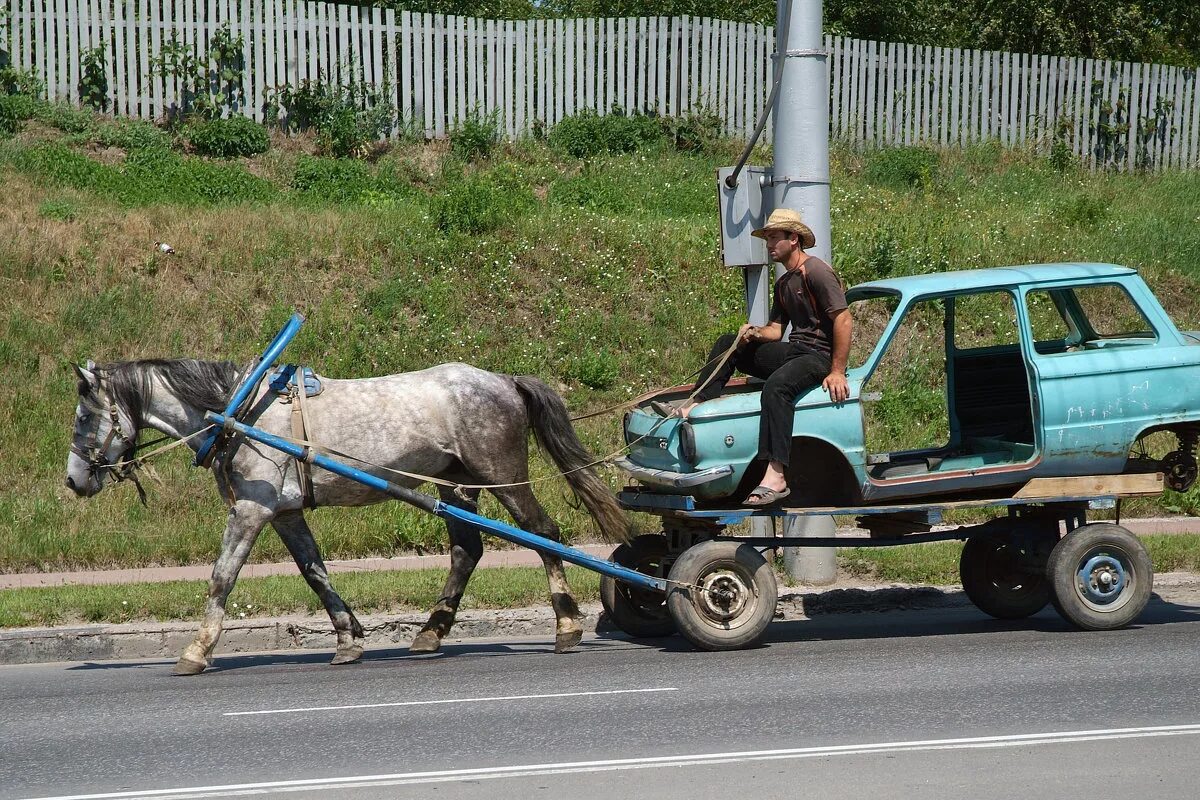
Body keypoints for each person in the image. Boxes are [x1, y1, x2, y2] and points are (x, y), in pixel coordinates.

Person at [660, 208, 852, 506]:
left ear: (794, 239)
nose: (769, 243)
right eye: (768, 238)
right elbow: (776, 330)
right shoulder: (785, 282)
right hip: (795, 351)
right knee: (729, 343)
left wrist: (837, 370)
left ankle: (775, 475)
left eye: (775, 237)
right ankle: (697, 404)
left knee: (776, 388)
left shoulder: (816, 272)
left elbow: (843, 319)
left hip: (818, 357)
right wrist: (754, 333)